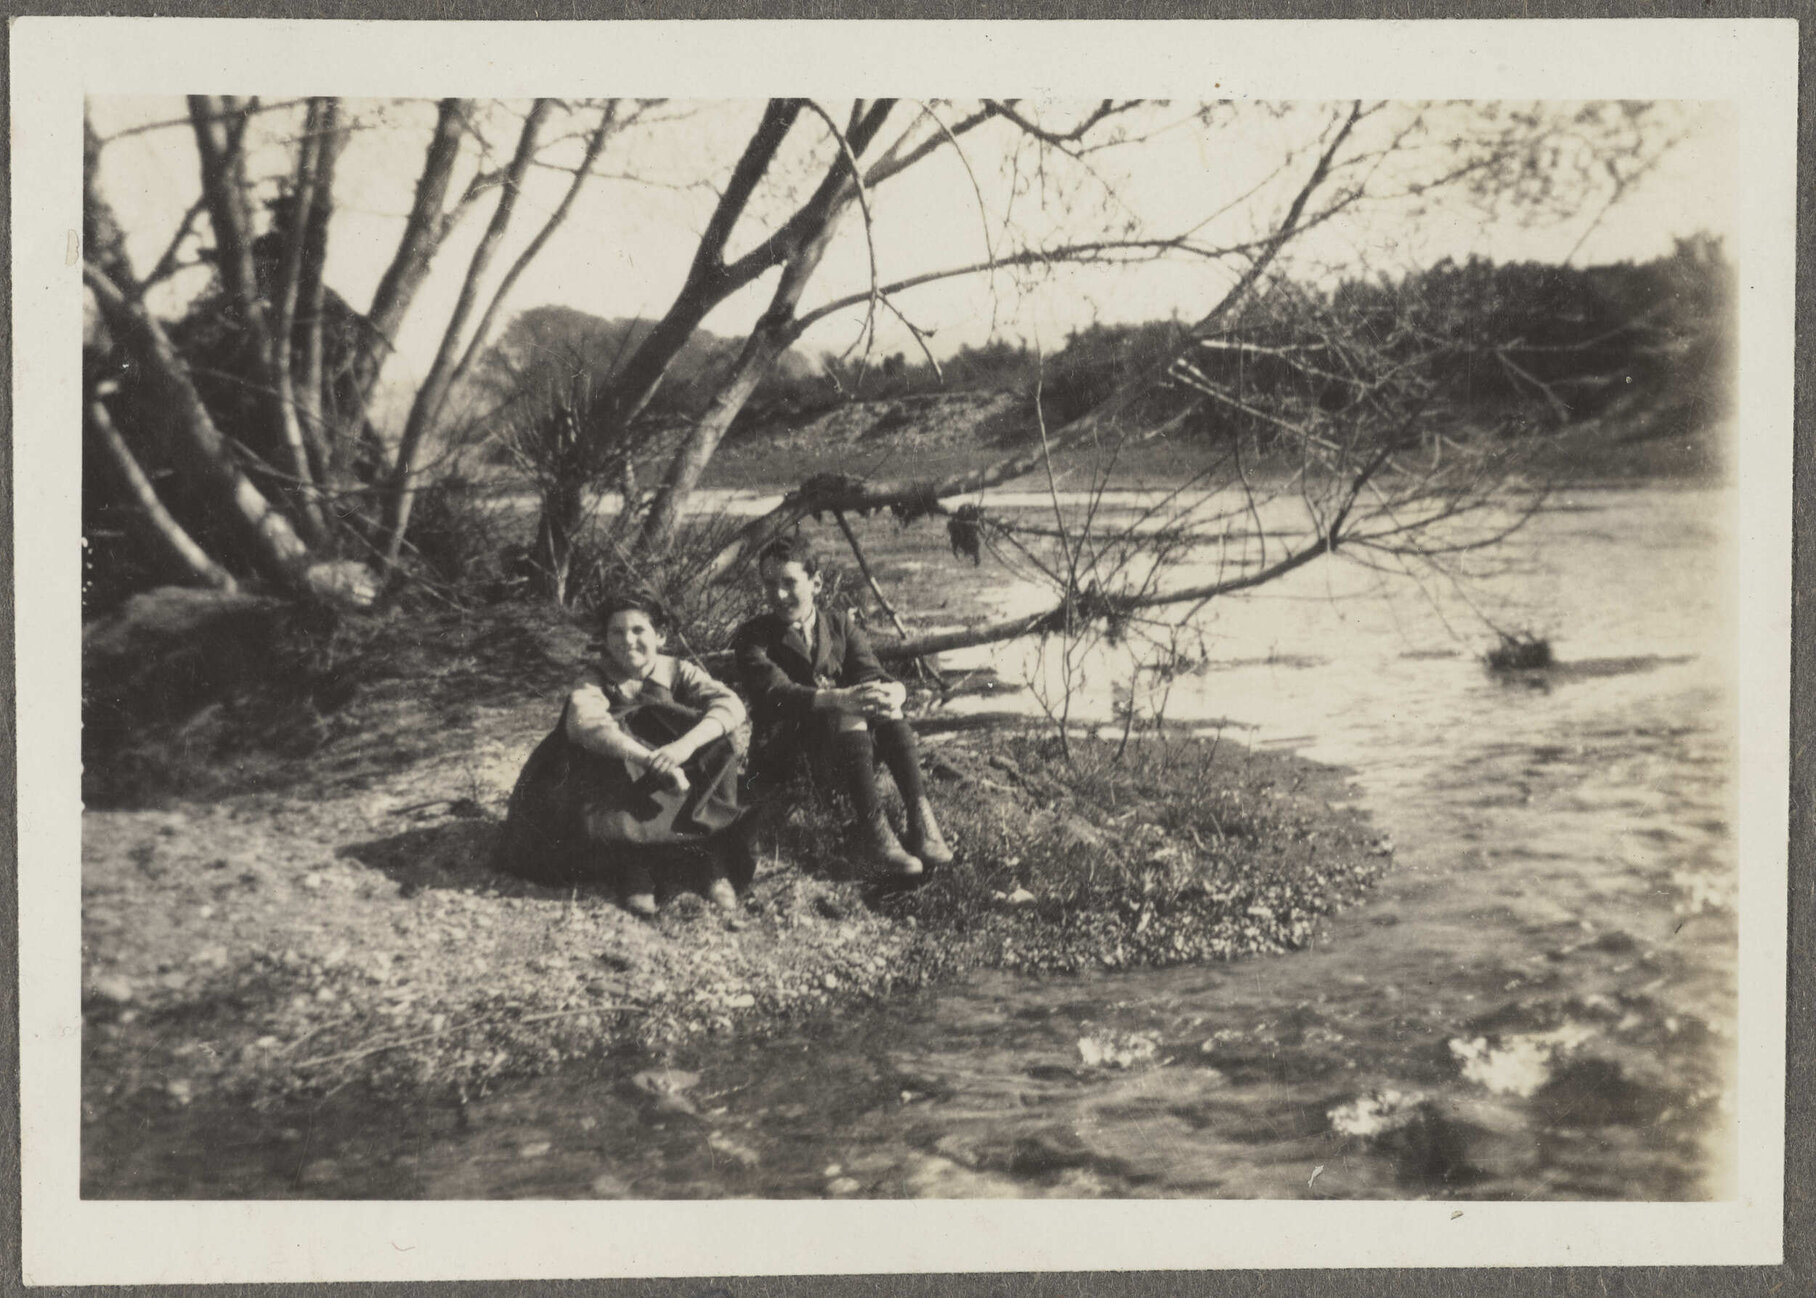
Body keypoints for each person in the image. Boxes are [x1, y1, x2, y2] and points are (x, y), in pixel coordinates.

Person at [496, 592, 752, 917]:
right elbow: (585, 723)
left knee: (720, 741)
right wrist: (648, 759)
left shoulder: (678, 670)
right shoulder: (596, 677)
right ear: (604, 638)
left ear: (660, 635)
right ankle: (634, 863)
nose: (628, 641)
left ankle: (709, 858)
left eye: (638, 630)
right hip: (624, 774)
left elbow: (731, 704)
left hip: (674, 765)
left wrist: (683, 747)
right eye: (616, 632)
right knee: (606, 742)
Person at [730, 533, 953, 878]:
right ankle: (874, 833)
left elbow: (871, 672)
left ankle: (922, 821)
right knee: (850, 707)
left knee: (885, 704)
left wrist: (896, 692)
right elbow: (777, 692)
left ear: (816, 583)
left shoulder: (838, 625)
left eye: (789, 582)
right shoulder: (753, 636)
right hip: (783, 758)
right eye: (770, 584)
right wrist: (839, 698)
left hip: (840, 751)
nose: (779, 594)